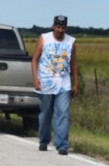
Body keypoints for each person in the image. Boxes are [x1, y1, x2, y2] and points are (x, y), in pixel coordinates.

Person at [31, 15, 78, 155]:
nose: (60, 30)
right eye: (58, 27)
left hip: (64, 84)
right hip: (46, 83)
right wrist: (35, 79)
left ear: (65, 28)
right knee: (46, 114)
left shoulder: (71, 42)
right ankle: (44, 141)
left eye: (63, 27)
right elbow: (34, 60)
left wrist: (76, 83)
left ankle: (62, 145)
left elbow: (73, 64)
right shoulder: (44, 38)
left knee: (63, 113)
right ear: (53, 26)